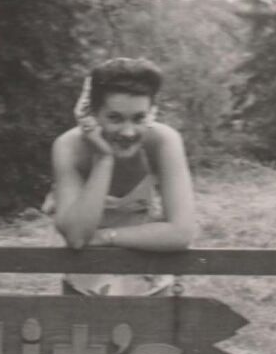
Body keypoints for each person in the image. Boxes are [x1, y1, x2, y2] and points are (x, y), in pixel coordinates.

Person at [46, 57, 195, 295]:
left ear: (151, 113)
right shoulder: (69, 146)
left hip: (148, 281)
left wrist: (106, 237)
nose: (128, 132)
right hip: (84, 287)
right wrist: (103, 159)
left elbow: (181, 232)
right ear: (92, 114)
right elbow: (76, 236)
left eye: (139, 118)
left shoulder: (163, 141)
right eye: (114, 118)